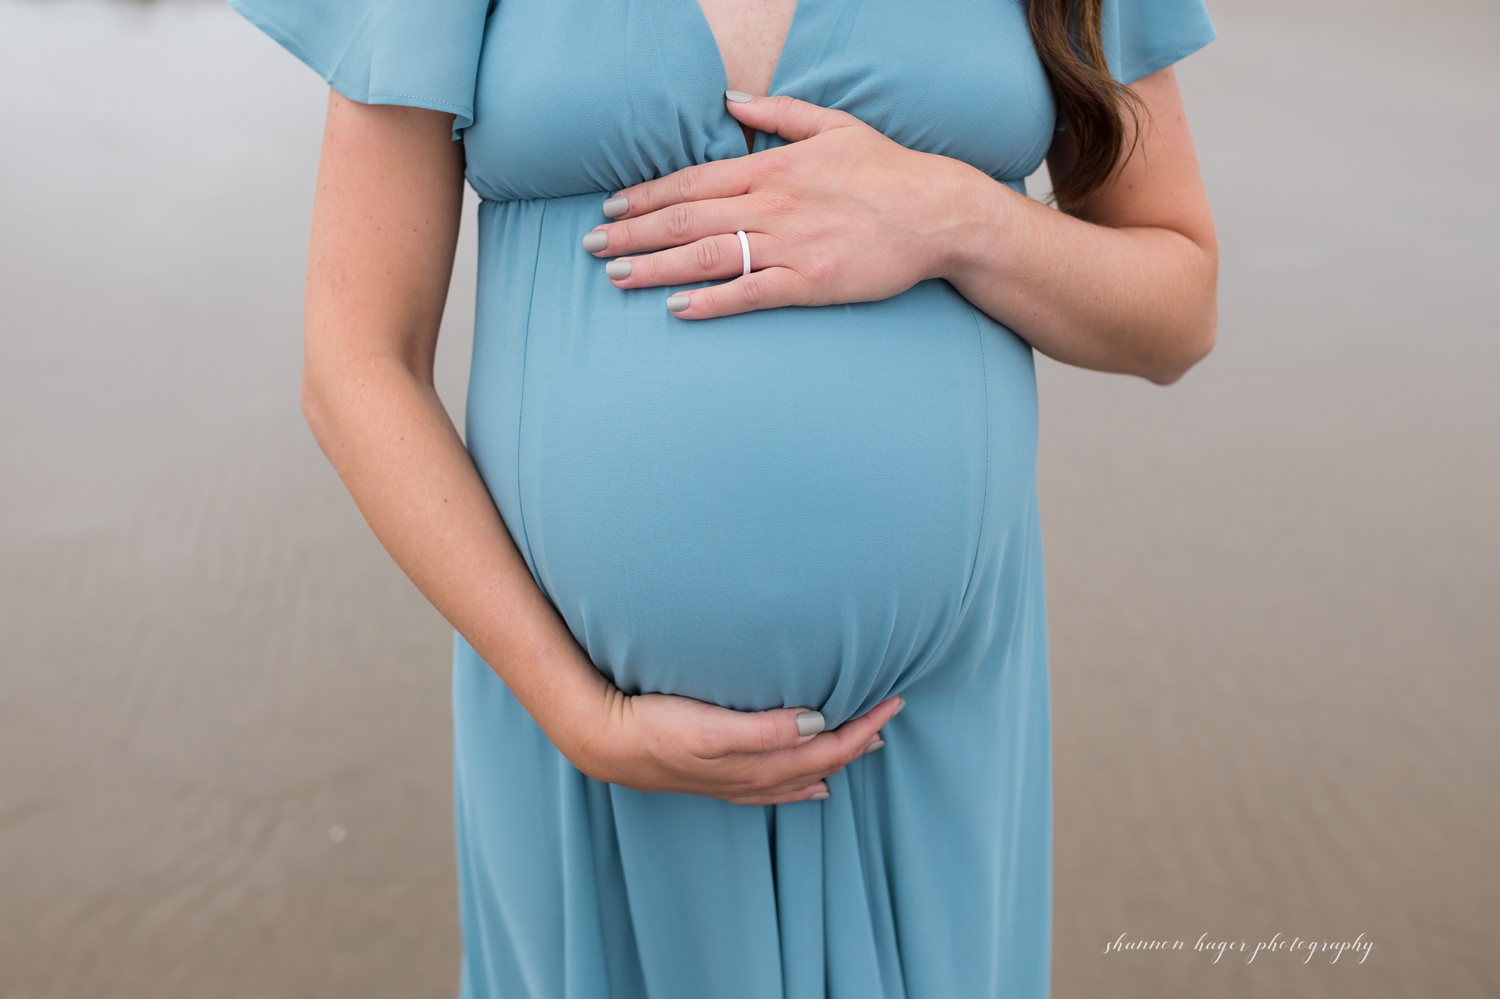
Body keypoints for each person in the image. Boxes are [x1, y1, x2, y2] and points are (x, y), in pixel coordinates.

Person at [230, 0, 1217, 994]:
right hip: (585, 747)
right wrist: (580, 714)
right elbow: (358, 364)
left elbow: (1176, 309)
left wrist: (961, 219)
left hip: (927, 734)